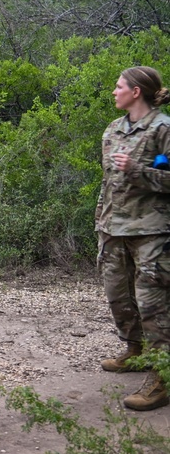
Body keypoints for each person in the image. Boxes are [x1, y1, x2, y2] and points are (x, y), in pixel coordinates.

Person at [95, 66, 170, 411]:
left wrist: (138, 171)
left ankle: (162, 379)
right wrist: (101, 221)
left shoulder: (162, 128)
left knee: (153, 306)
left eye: (119, 86)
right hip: (114, 230)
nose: (114, 91)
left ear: (136, 91)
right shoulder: (113, 129)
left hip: (151, 231)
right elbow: (107, 182)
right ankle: (135, 351)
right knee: (119, 296)